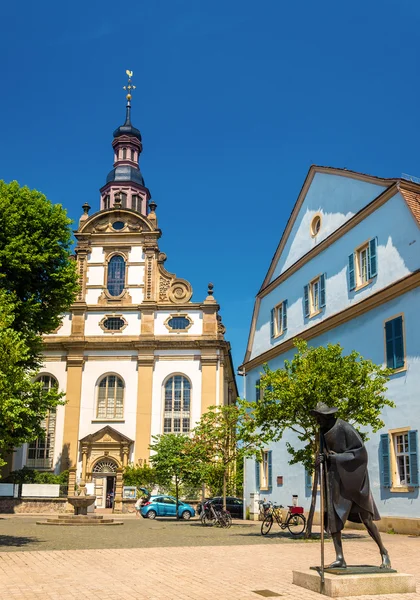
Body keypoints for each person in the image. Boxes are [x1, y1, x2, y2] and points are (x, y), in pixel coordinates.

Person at [312, 401, 391, 569]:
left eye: (319, 417)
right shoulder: (321, 431)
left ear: (327, 416)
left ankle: (384, 552)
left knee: (366, 519)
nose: (317, 420)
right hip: (335, 480)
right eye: (316, 417)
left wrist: (334, 458)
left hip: (354, 480)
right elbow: (324, 454)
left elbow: (360, 454)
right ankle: (340, 557)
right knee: (332, 517)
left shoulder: (344, 427)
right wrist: (320, 460)